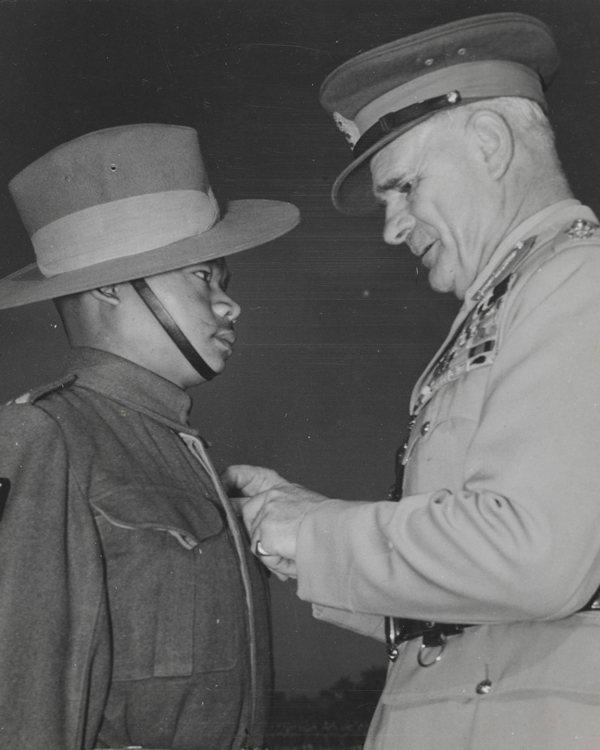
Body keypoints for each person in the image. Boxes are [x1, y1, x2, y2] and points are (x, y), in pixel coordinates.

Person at [223, 13, 600, 749]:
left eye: (404, 187)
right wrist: (297, 536)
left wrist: (313, 528)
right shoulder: (523, 295)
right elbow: (490, 610)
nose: (393, 227)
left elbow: (533, 560)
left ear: (488, 144)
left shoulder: (577, 282)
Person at [0, 123, 299, 750]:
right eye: (203, 277)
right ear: (111, 285)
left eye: (225, 281)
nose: (229, 305)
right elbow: (26, 703)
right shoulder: (43, 436)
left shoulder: (173, 447)